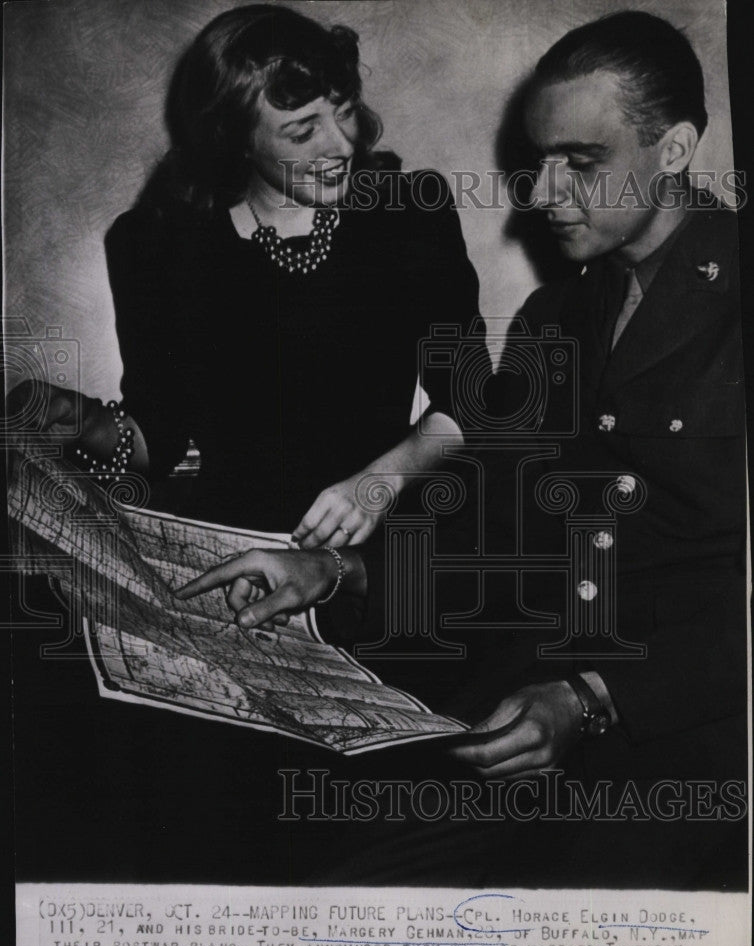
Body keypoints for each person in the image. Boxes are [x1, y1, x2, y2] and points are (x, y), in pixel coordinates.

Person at [178, 10, 748, 888]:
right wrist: (339, 577)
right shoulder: (552, 320)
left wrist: (596, 700)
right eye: (537, 160)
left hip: (693, 747)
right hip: (516, 722)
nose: (544, 193)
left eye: (581, 163)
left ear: (673, 151)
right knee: (333, 886)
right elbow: (486, 529)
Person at [8, 3, 481, 549]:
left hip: (376, 549)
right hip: (230, 543)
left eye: (344, 111)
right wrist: (81, 422)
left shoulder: (408, 214)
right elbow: (155, 441)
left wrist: (376, 485)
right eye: (303, 131)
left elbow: (469, 403)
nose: (343, 145)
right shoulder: (156, 243)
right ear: (233, 138)